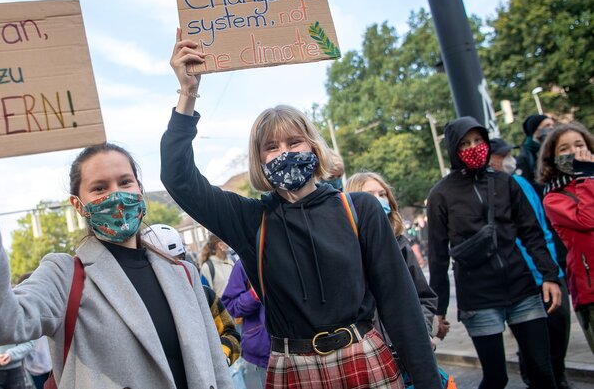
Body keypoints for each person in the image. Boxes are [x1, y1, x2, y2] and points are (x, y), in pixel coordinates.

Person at [163, 34, 439, 388]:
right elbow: (178, 177)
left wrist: (427, 379)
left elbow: (400, 304)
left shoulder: (360, 210)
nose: (284, 153)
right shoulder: (251, 220)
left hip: (363, 358)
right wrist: (188, 93)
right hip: (294, 368)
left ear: (313, 146)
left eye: (294, 142)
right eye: (271, 147)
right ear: (259, 159)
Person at [0, 141, 233, 389]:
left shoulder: (183, 274)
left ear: (140, 191)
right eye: (99, 188)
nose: (116, 195)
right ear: (78, 205)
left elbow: (215, 369)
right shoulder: (64, 275)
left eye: (125, 182)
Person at [427, 116, 562, 389]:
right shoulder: (441, 194)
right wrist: (438, 310)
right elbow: (438, 256)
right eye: (465, 143)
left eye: (478, 140)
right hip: (479, 297)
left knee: (542, 371)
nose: (473, 147)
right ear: (453, 149)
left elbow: (531, 232)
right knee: (496, 378)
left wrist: (550, 275)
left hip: (523, 288)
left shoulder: (504, 182)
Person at [489, 137, 573, 388]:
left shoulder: (522, 183)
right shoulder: (491, 191)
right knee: (534, 346)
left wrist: (551, 268)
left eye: (508, 154)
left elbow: (539, 228)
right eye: (502, 156)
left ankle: (559, 375)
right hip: (521, 280)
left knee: (559, 331)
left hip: (548, 273)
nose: (508, 160)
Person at [345, 172, 439, 338]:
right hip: (371, 351)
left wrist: (422, 332)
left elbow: (424, 298)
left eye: (382, 194)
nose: (378, 200)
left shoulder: (401, 244)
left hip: (408, 346)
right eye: (370, 195)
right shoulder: (345, 250)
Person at [142, 224, 242, 367]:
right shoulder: (142, 304)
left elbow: (230, 334)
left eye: (177, 260)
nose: (174, 267)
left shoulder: (204, 295)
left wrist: (220, 359)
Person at [538, 122, 594, 356]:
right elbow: (587, 219)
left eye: (579, 145)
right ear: (552, 157)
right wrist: (586, 177)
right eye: (564, 148)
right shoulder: (554, 198)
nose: (573, 151)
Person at [221, 259, 270, 389]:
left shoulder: (292, 253)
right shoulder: (245, 263)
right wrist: (254, 294)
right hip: (264, 348)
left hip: (300, 342)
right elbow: (230, 305)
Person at [517, 114, 556, 191]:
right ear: (535, 131)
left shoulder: (553, 149)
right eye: (547, 125)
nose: (551, 128)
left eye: (552, 125)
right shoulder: (525, 157)